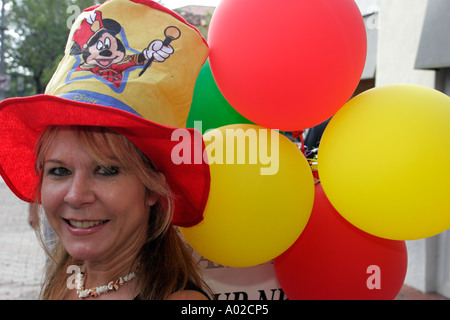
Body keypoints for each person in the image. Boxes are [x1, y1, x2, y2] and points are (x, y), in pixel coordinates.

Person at [0, 0, 212, 300]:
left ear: (154, 189)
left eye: (107, 170)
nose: (75, 195)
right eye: (59, 170)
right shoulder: (68, 281)